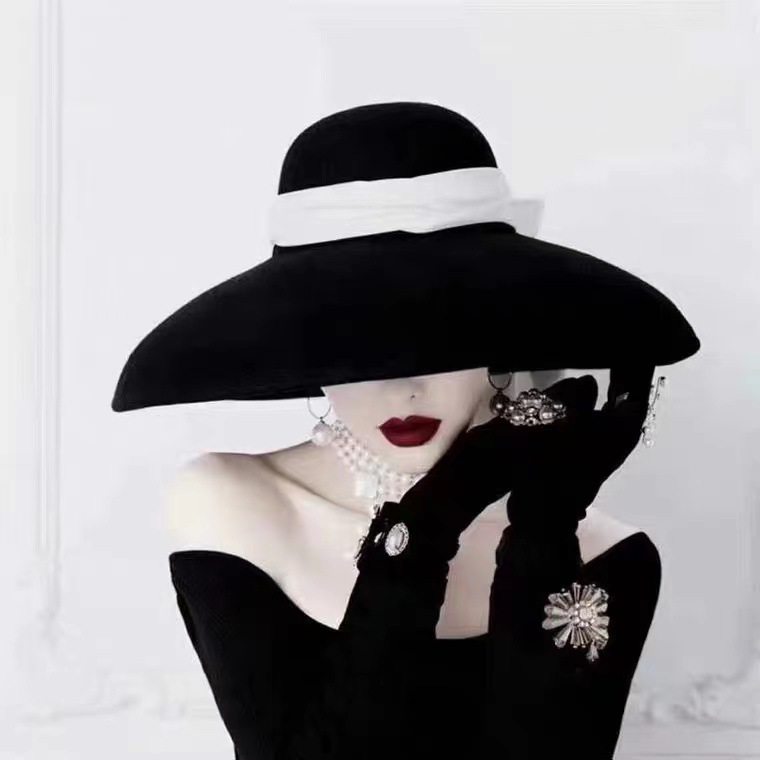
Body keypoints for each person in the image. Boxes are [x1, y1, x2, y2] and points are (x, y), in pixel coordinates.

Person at [111, 102, 700, 759]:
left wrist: (546, 523)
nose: (402, 386)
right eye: (356, 349)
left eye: (438, 338)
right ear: (306, 353)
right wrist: (433, 516)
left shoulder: (605, 555)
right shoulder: (233, 504)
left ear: (498, 334)